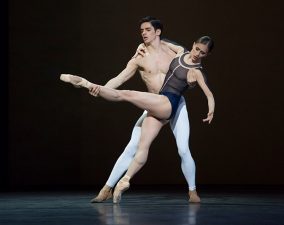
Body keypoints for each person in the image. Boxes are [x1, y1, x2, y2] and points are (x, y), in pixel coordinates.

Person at [60, 35, 215, 203]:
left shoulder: (196, 71)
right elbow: (159, 42)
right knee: (137, 146)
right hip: (155, 102)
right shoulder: (177, 51)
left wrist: (209, 109)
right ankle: (113, 186)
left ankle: (192, 192)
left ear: (207, 55)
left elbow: (205, 91)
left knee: (183, 149)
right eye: (197, 49)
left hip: (174, 105)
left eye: (203, 53)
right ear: (192, 44)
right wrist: (141, 45)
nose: (197, 54)